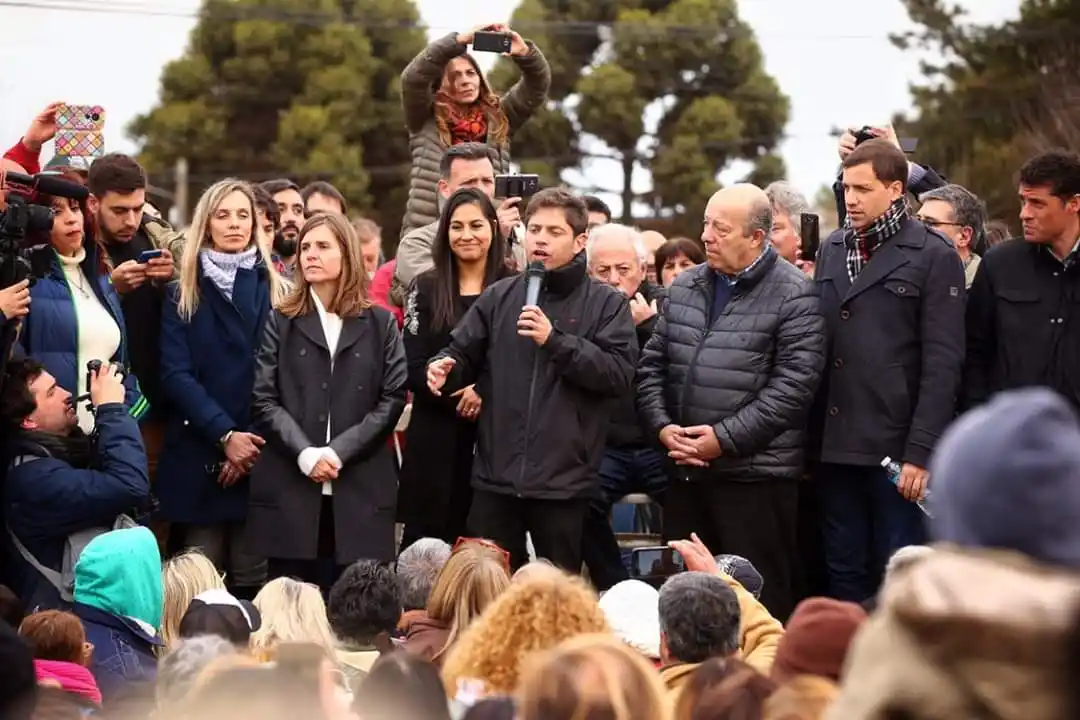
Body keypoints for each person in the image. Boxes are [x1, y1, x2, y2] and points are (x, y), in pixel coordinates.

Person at [636, 184, 825, 619]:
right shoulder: (684, 287)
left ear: (757, 238)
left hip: (755, 482)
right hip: (685, 474)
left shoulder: (795, 294)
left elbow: (793, 389)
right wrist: (663, 429)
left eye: (720, 229)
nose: (706, 237)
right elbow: (650, 370)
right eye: (705, 223)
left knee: (755, 605)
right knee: (683, 603)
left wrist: (721, 440)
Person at [426, 188, 637, 571]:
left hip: (563, 482)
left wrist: (554, 341)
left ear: (580, 240)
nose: (540, 238)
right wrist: (444, 365)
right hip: (496, 477)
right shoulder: (501, 295)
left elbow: (617, 374)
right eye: (535, 228)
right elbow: (463, 350)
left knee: (554, 599)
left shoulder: (607, 304)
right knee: (485, 590)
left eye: (554, 232)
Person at [811, 139, 965, 602]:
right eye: (846, 187)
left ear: (896, 189)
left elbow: (943, 361)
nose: (851, 198)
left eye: (863, 188)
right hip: (835, 447)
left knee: (899, 581)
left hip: (896, 452)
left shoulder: (933, 254)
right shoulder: (833, 248)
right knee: (843, 575)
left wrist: (920, 451)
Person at [248, 213, 407, 593]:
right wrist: (306, 454)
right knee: (290, 612)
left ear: (347, 254)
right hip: (291, 488)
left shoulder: (381, 324)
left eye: (322, 246)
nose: (310, 255)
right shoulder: (281, 321)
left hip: (360, 489)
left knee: (355, 611)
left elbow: (392, 398)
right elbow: (264, 398)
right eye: (304, 247)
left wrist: (337, 453)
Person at [156, 179, 287, 600]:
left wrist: (248, 445)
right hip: (199, 454)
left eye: (243, 215)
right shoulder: (182, 293)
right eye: (223, 214)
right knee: (199, 588)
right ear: (205, 224)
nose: (234, 224)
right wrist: (225, 436)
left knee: (255, 586)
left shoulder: (278, 290)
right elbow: (176, 375)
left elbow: (281, 375)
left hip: (260, 454)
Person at [398, 188, 512, 547]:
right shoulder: (426, 287)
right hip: (435, 435)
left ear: (493, 228)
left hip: (495, 439)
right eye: (456, 226)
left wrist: (484, 391)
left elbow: (522, 359)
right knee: (426, 552)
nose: (466, 235)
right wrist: (451, 392)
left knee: (486, 552)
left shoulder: (514, 285)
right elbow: (410, 364)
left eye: (476, 225)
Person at [1, 359, 149, 611]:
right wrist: (111, 410)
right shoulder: (34, 479)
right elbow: (129, 484)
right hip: (68, 621)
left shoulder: (58, 455)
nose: (67, 395)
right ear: (28, 421)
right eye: (52, 392)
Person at [16, 171, 148, 432]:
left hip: (106, 438)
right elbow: (16, 370)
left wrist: (126, 416)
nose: (70, 219)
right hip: (53, 441)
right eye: (55, 210)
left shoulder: (99, 277)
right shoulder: (24, 280)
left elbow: (119, 362)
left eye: (75, 208)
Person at [399, 22, 550, 237]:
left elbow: (537, 87)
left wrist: (525, 53)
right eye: (454, 76)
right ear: (438, 84)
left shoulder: (500, 117)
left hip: (490, 232)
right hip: (431, 234)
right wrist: (459, 41)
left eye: (471, 73)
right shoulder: (424, 117)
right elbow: (412, 79)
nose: (465, 81)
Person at [581, 223, 668, 591]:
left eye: (624, 269)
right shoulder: (582, 309)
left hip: (658, 443)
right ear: (589, 271)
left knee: (695, 497)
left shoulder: (668, 304)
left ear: (642, 267)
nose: (615, 280)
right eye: (603, 271)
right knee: (578, 499)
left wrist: (649, 328)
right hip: (606, 446)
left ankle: (670, 586)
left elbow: (678, 366)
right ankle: (616, 587)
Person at [963, 149, 1080, 412]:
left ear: (1073, 204)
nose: (1024, 214)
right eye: (1022, 201)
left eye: (1037, 203)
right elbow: (974, 354)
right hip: (1012, 436)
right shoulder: (999, 264)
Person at [915, 183, 987, 289]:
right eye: (917, 220)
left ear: (964, 236)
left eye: (930, 223)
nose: (918, 228)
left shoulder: (987, 288)